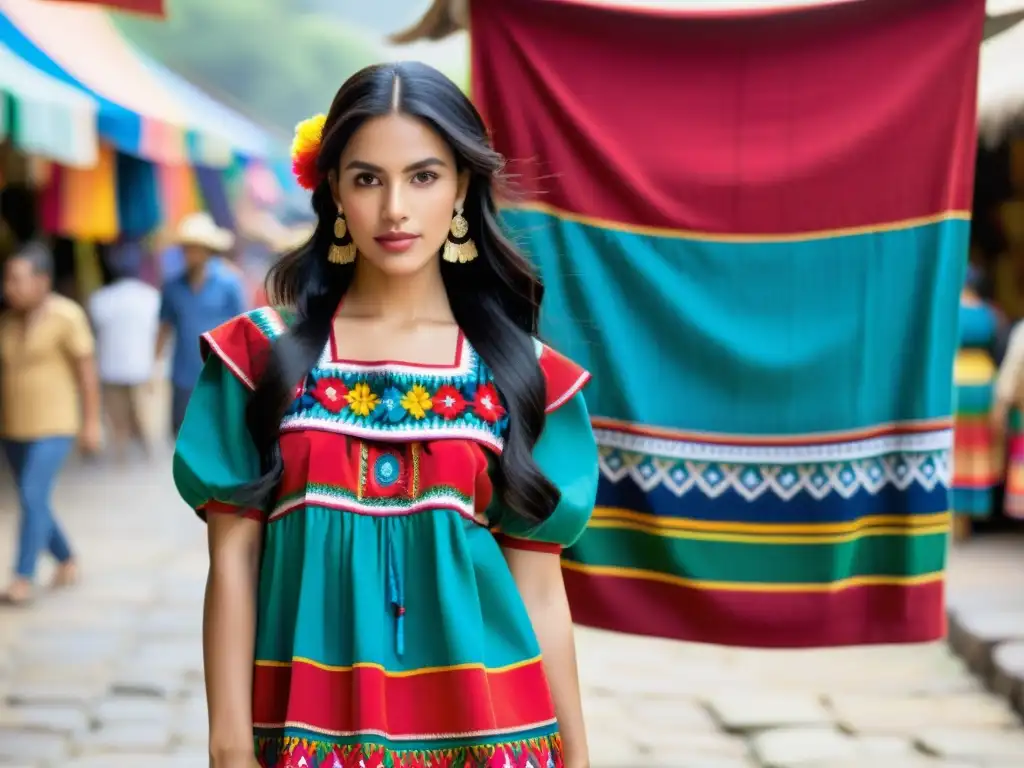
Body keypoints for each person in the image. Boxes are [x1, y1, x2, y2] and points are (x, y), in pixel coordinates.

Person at [173, 62, 596, 768]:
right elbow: (234, 562)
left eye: (423, 176)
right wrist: (228, 744)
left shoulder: (526, 377)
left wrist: (578, 758)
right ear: (333, 188)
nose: (395, 206)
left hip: (493, 732)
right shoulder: (259, 360)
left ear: (462, 186)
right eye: (368, 178)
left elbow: (540, 592)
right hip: (303, 731)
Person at [0, 241, 101, 605]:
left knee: (30, 495)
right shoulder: (7, 322)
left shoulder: (67, 316)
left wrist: (91, 423)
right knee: (35, 499)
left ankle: (22, 577)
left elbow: (87, 374)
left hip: (55, 426)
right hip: (13, 429)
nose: (9, 287)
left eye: (17, 279)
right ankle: (66, 557)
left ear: (42, 281)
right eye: (7, 279)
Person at [156, 212, 245, 438]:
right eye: (186, 248)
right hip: (183, 373)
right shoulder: (173, 287)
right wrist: (154, 366)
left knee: (216, 435)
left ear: (207, 250)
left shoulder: (229, 283)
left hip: (218, 372)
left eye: (195, 247)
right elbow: (164, 326)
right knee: (183, 435)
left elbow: (242, 328)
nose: (189, 254)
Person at [88, 239, 161, 461]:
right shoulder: (151, 297)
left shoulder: (100, 298)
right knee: (143, 412)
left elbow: (95, 328)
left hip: (111, 367)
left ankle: (121, 453)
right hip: (142, 365)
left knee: (116, 415)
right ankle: (148, 450)